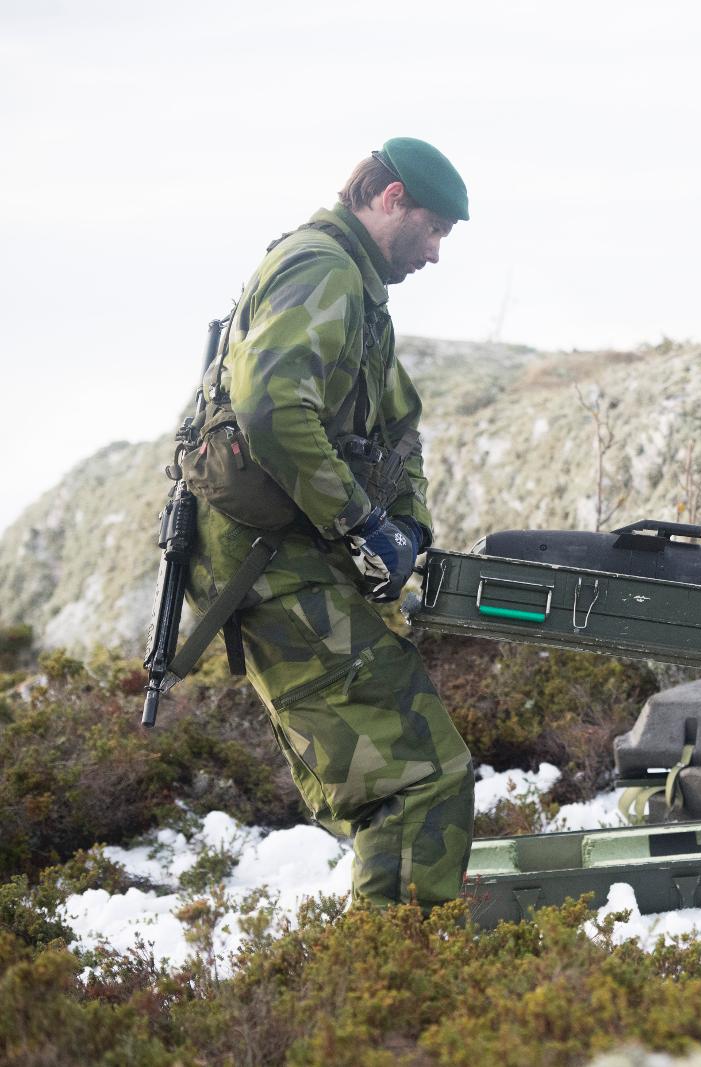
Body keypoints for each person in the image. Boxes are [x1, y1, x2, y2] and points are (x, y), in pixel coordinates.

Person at [183, 138, 474, 910]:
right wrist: (361, 524)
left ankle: (384, 985)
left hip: (284, 562)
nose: (437, 253)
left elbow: (397, 425)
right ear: (390, 199)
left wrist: (404, 527)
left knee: (402, 779)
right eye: (435, 228)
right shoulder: (324, 269)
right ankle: (397, 995)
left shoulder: (356, 289)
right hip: (272, 565)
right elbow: (273, 408)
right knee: (419, 780)